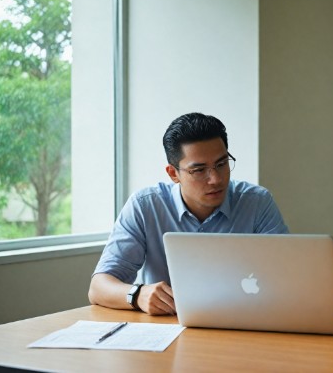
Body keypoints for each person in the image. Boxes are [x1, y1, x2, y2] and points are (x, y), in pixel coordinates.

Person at [89, 113, 288, 315]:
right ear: (173, 174)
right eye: (199, 170)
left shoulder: (256, 202)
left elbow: (287, 275)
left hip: (244, 322)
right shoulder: (145, 206)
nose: (215, 179)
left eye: (221, 164)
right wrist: (138, 294)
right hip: (168, 330)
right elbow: (98, 287)